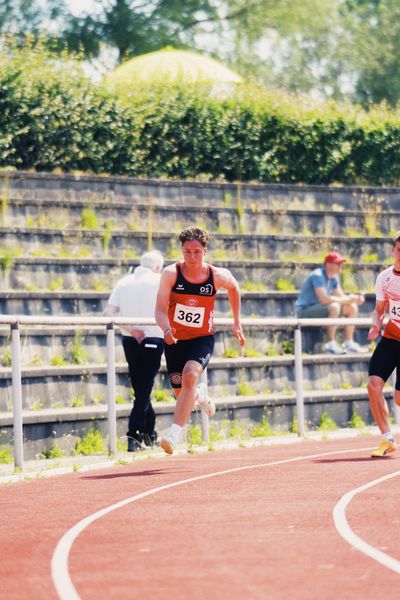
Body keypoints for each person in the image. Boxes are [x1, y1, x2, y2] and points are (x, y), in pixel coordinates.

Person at [155, 226, 245, 455]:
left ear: (205, 251)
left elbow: (234, 288)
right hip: (174, 340)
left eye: (196, 251)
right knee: (183, 393)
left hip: (202, 338)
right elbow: (159, 310)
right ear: (181, 251)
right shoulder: (171, 274)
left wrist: (236, 321)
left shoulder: (217, 275)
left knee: (191, 375)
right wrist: (166, 329)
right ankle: (200, 395)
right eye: (187, 251)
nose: (192, 257)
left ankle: (173, 436)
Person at [104, 250, 164, 452]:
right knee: (144, 389)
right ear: (157, 267)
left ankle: (150, 433)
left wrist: (132, 330)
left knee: (141, 389)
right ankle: (133, 435)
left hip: (130, 339)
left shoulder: (123, 282)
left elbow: (108, 314)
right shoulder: (160, 280)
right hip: (153, 338)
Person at [295, 251, 366, 354]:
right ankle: (331, 344)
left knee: (352, 307)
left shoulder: (333, 277)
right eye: (337, 263)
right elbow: (323, 299)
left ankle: (348, 343)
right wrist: (348, 299)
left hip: (319, 309)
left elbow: (341, 297)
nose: (340, 265)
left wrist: (354, 299)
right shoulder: (317, 275)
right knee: (334, 307)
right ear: (328, 265)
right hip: (304, 311)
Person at [367, 232, 400, 457]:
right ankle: (387, 438)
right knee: (373, 385)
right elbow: (379, 311)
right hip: (391, 339)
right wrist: (375, 325)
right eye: (399, 250)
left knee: (399, 397)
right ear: (393, 251)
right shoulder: (384, 278)